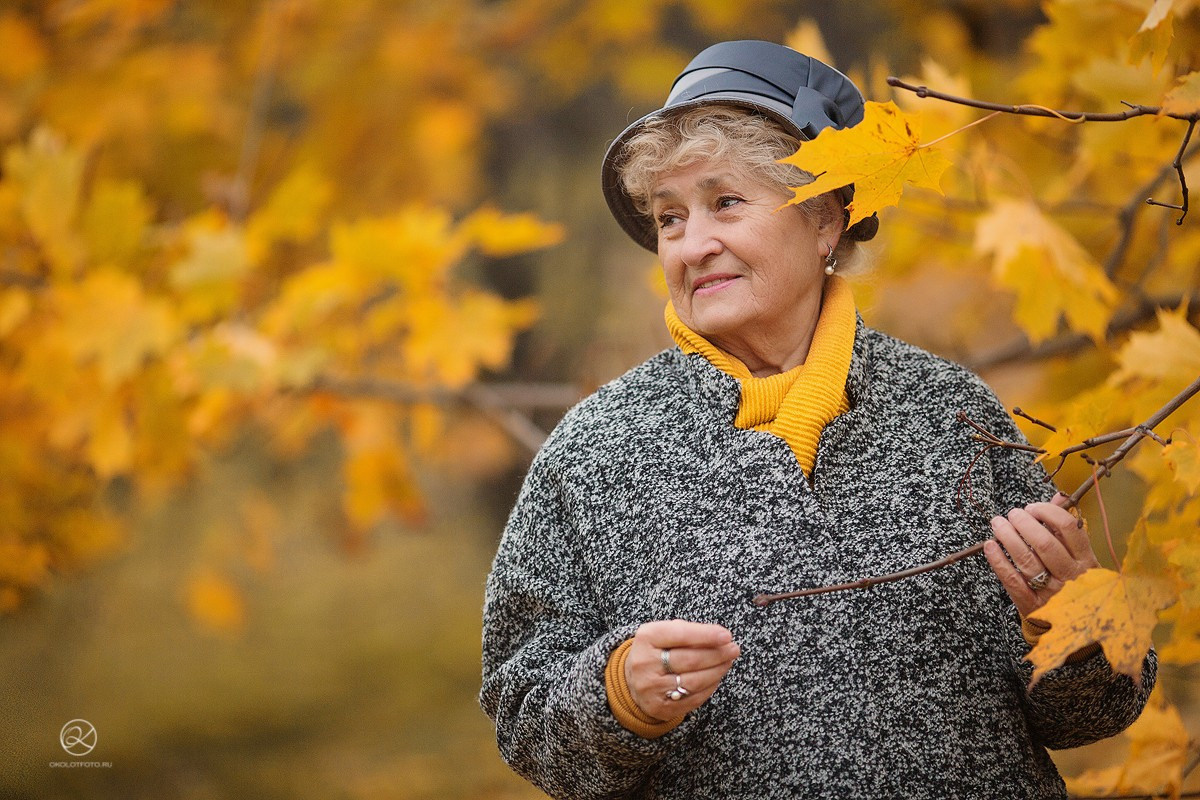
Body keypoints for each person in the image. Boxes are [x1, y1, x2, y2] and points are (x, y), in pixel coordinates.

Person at [480, 40, 1154, 799]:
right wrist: (617, 698)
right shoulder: (596, 450)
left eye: (725, 202)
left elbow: (1092, 713)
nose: (693, 244)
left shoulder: (950, 411)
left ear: (828, 217)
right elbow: (522, 714)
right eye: (670, 219)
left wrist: (1074, 626)